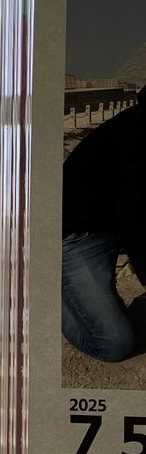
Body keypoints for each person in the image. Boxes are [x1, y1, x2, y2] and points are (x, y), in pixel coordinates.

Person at [61, 85, 146, 362]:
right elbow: (133, 218)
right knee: (113, 343)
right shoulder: (137, 133)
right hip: (76, 235)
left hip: (108, 224)